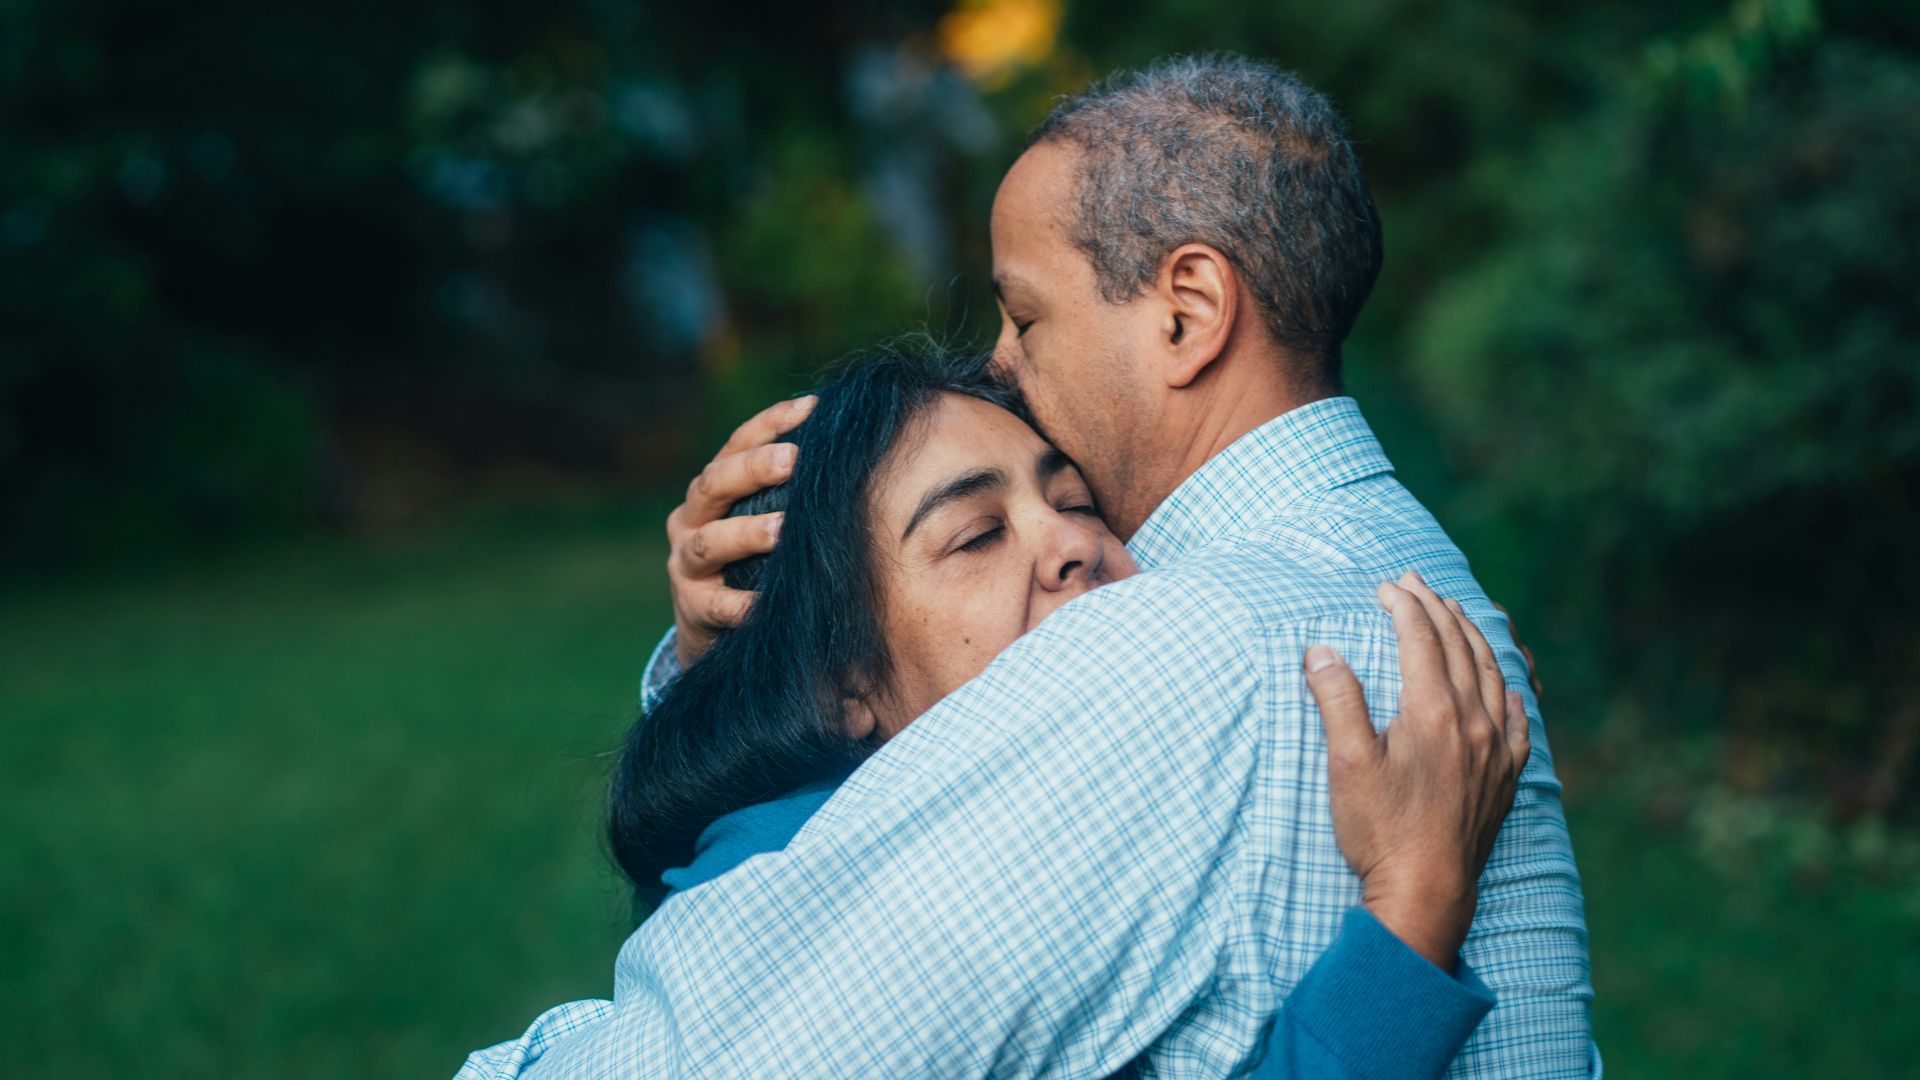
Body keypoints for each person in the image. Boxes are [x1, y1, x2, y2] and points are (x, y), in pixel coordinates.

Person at [465, 56, 1594, 1077]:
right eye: (976, 531)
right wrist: (737, 666)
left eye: (1025, 317)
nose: (1001, 366)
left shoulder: (1176, 650)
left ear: (1188, 313)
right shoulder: (1411, 588)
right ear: (840, 681)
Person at [576, 346, 1521, 1080]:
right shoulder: (882, 929)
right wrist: (1414, 904)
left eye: (1076, 500)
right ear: (841, 686)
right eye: (977, 535)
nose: (1071, 540)